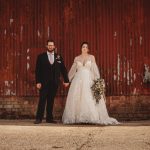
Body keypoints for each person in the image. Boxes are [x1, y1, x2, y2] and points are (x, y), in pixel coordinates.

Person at [62, 42, 119, 125]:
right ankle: (78, 117)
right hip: (78, 80)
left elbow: (94, 69)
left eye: (86, 47)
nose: (84, 48)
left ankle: (90, 117)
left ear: (88, 49)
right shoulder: (77, 58)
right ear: (81, 48)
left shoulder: (91, 57)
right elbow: (73, 71)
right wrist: (67, 80)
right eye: (83, 47)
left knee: (89, 96)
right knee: (77, 97)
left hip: (89, 79)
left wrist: (97, 81)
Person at [34, 39, 69, 124]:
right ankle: (39, 118)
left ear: (54, 46)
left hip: (54, 82)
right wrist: (38, 82)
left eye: (52, 45)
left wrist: (66, 80)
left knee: (51, 100)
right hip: (43, 82)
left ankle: (49, 118)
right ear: (47, 46)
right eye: (49, 45)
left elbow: (63, 69)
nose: (50, 46)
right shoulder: (41, 57)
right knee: (42, 100)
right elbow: (37, 70)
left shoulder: (58, 57)